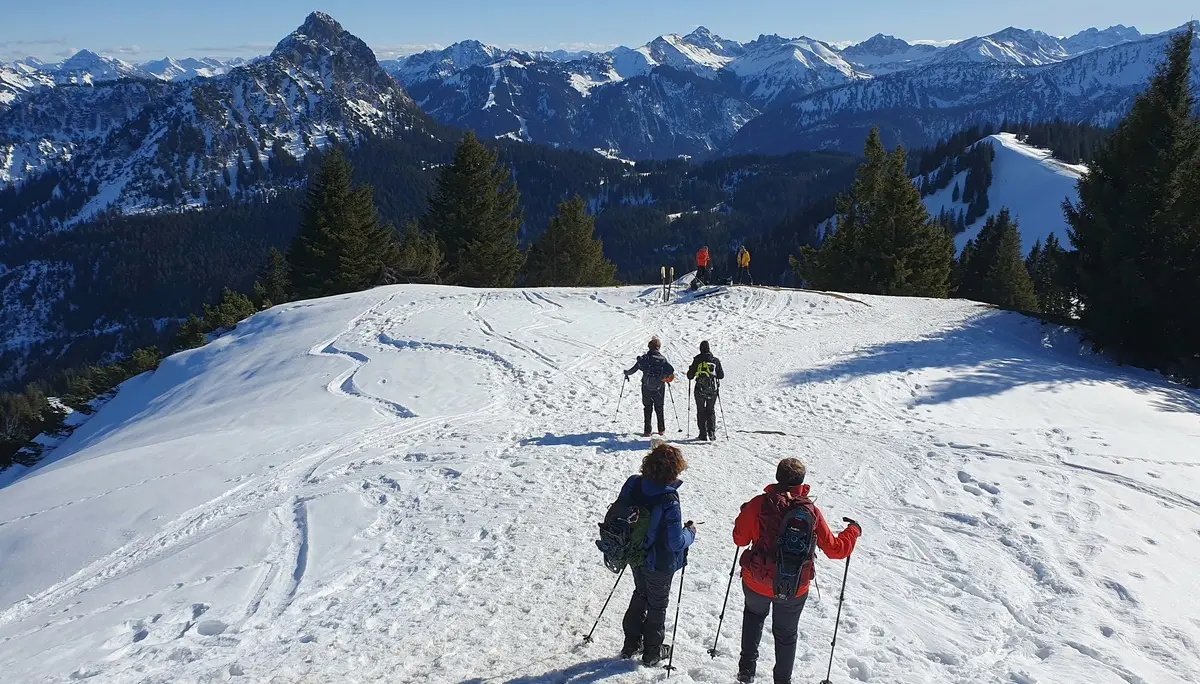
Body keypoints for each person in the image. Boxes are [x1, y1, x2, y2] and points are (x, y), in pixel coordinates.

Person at [733, 459, 861, 684]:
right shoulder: (809, 511)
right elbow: (835, 550)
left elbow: (739, 539)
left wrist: (745, 514)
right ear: (802, 482)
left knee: (753, 617)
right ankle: (782, 680)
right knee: (786, 634)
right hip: (793, 585)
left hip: (756, 579)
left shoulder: (759, 504)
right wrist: (853, 531)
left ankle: (746, 671)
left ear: (777, 477)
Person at [617, 443, 697, 665]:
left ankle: (631, 643)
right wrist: (690, 533)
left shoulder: (634, 483)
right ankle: (652, 651)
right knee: (657, 603)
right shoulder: (668, 498)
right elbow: (675, 542)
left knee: (641, 593)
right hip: (659, 562)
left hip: (634, 553)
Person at [625, 337, 675, 436]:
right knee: (659, 408)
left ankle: (647, 431)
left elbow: (633, 369)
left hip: (646, 387)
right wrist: (664, 377)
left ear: (649, 347)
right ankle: (661, 430)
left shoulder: (644, 359)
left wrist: (626, 373)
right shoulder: (662, 359)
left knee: (647, 408)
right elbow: (671, 371)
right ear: (658, 347)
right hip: (659, 388)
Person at [686, 340, 725, 441]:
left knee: (701, 410)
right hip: (713, 390)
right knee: (710, 410)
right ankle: (711, 431)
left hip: (700, 389)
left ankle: (702, 434)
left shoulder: (697, 360)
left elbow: (690, 376)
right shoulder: (715, 360)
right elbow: (721, 376)